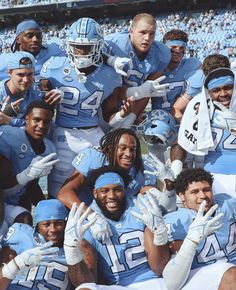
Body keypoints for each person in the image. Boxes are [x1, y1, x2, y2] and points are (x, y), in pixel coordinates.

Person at [41, 17, 168, 198]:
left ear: (98, 46)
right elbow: (38, 96)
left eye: (87, 47)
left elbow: (110, 115)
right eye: (76, 46)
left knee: (106, 182)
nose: (80, 51)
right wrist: (47, 96)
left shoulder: (109, 74)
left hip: (93, 133)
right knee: (60, 187)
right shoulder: (53, 67)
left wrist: (134, 99)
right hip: (64, 133)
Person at [63, 165, 169, 290]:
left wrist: (160, 233)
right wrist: (71, 251)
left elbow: (158, 268)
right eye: (104, 191)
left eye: (117, 189)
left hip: (152, 281)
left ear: (124, 190)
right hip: (117, 287)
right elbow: (86, 282)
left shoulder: (140, 208)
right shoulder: (85, 222)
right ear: (95, 193)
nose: (111, 196)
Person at [162, 168, 236, 290]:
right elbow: (172, 282)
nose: (203, 196)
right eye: (195, 192)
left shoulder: (226, 202)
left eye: (206, 190)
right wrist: (191, 241)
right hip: (200, 273)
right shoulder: (177, 221)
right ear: (182, 196)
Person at [171, 67, 236, 197]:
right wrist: (176, 170)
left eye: (228, 87)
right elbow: (182, 141)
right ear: (209, 93)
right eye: (216, 90)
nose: (223, 94)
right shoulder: (200, 107)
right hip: (213, 176)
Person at [0, 100, 58, 227]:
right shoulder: (9, 136)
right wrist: (26, 175)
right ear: (27, 118)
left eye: (46, 121)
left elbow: (31, 186)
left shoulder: (49, 149)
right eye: (36, 120)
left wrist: (47, 209)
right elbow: (2, 185)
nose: (41, 125)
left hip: (17, 199)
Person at [0, 199, 71, 290]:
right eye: (46, 224)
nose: (53, 229)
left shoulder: (73, 247)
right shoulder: (22, 234)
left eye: (58, 223)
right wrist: (18, 263)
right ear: (38, 226)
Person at [0, 51, 61, 127]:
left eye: (30, 74)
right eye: (20, 75)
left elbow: (37, 127)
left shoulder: (35, 92)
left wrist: (9, 120)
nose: (26, 80)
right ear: (9, 73)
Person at [151, 29, 201, 116]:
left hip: (184, 117)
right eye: (173, 47)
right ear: (164, 48)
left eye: (181, 48)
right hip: (159, 118)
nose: (178, 51)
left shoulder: (193, 65)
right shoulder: (154, 67)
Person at [0, 19, 65, 82]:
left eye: (38, 36)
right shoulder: (5, 61)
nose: (35, 39)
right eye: (29, 36)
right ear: (18, 39)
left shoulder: (54, 50)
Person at [172, 53, 231, 123]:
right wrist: (188, 127)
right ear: (206, 74)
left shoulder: (232, 82)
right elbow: (176, 109)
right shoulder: (197, 82)